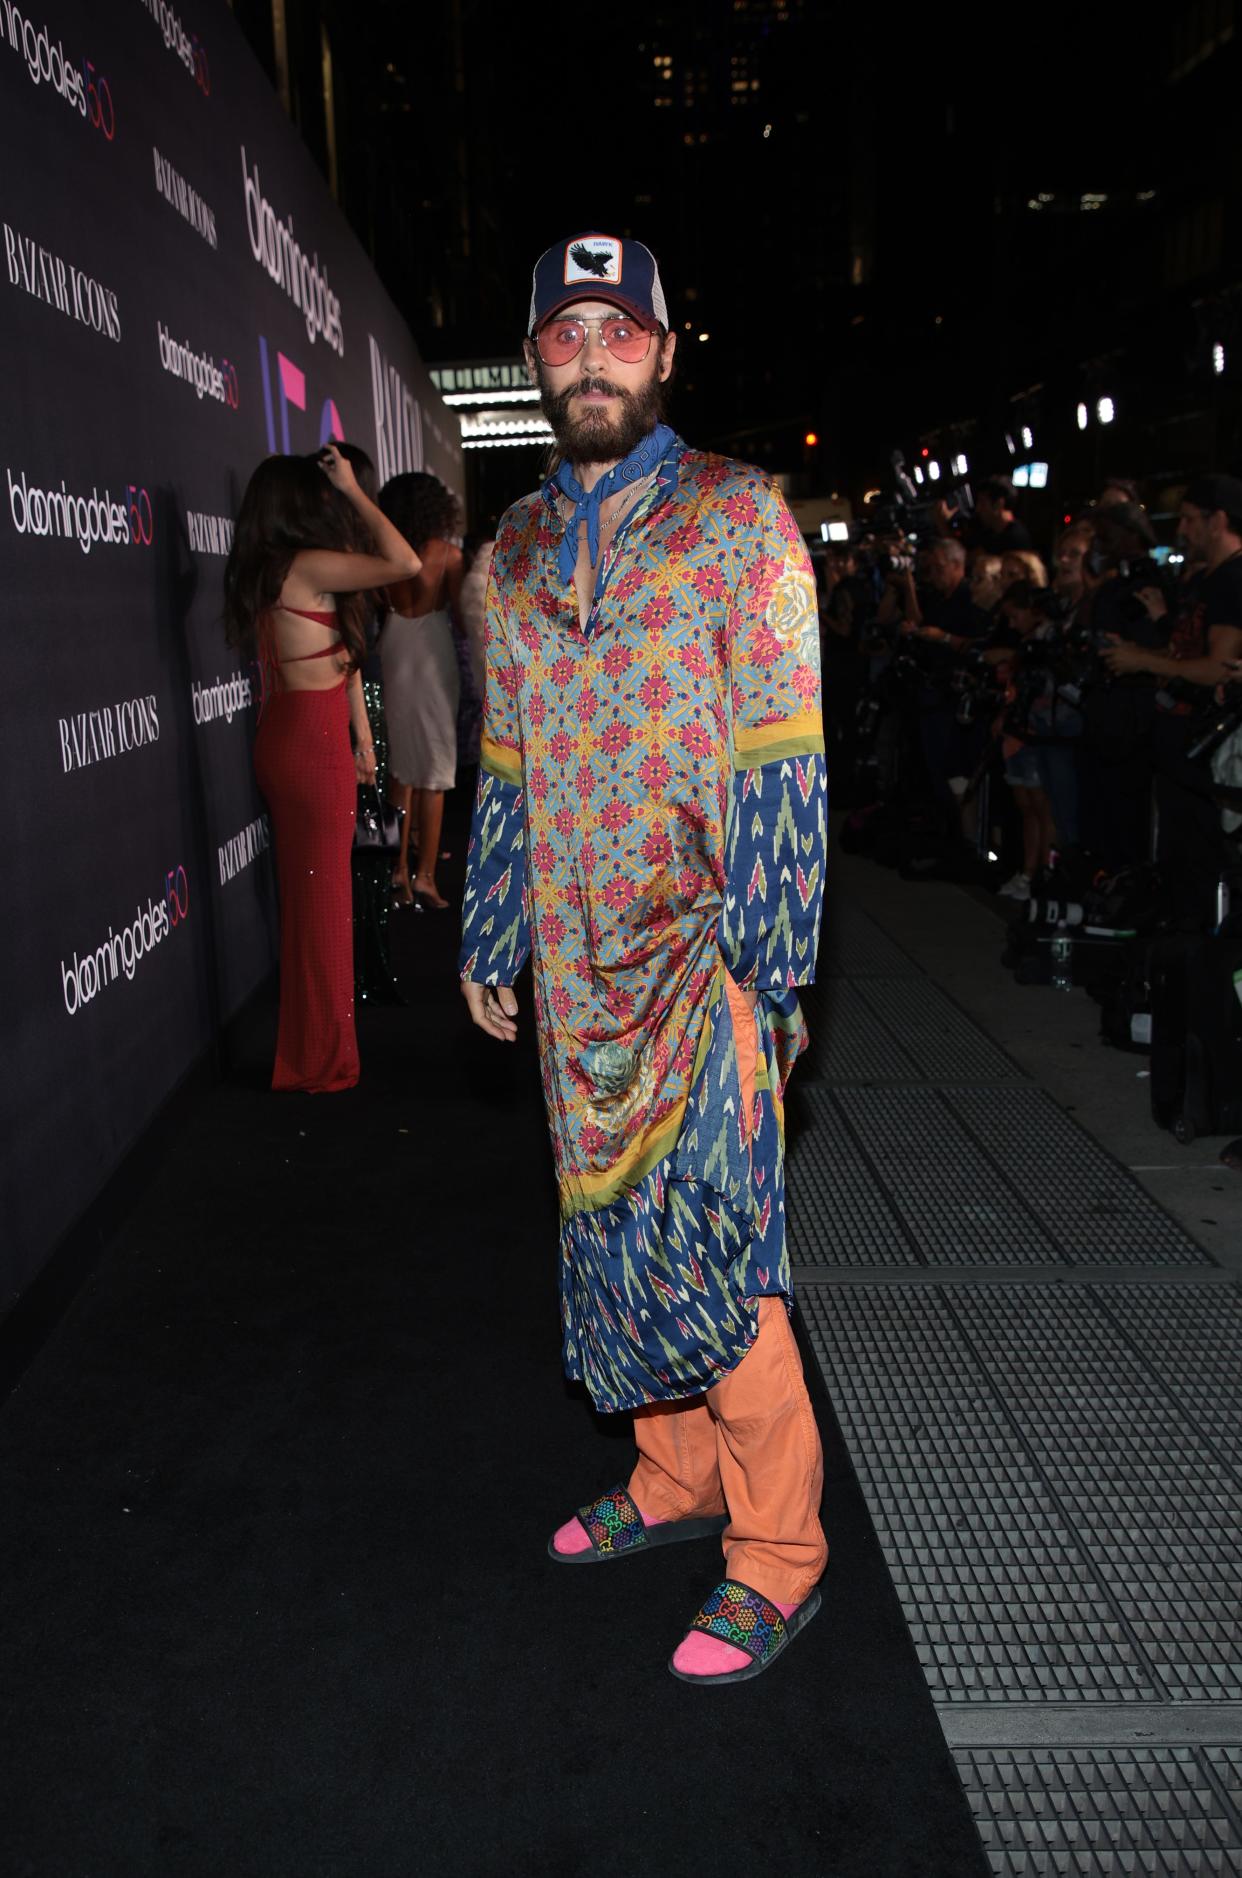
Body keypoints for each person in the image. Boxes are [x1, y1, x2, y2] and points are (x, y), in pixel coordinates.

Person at [459, 231, 828, 1686]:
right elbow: (503, 758)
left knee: (722, 1254)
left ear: (667, 352)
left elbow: (785, 752)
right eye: (566, 335)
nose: (593, 355)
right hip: (574, 963)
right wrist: (493, 925)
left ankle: (778, 1552)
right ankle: (673, 1478)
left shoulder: (743, 521)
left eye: (621, 331)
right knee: (605, 1230)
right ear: (535, 359)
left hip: (705, 961)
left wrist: (772, 968)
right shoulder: (513, 547)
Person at [224, 446, 421, 1091]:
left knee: (309, 907)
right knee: (325, 905)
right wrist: (360, 494)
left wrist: (361, 738)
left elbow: (339, 664)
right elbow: (404, 562)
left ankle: (308, 1054)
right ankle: (325, 1063)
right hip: (309, 745)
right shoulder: (307, 566)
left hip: (287, 737)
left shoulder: (269, 570)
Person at [1101, 473, 1242, 923]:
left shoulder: (1233, 579)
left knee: (1201, 865)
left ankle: (1202, 967)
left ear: (1217, 520)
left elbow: (1218, 666)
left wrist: (1146, 664)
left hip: (1205, 748)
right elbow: (1186, 652)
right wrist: (1137, 652)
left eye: (1188, 519)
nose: (1181, 530)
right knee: (1179, 862)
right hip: (1179, 744)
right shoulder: (1207, 579)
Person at [377, 473, 464, 911]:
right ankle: (425, 876)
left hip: (393, 644)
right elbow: (465, 623)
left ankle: (396, 875)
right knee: (436, 769)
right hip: (432, 648)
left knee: (401, 767)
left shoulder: (383, 554)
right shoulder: (447, 555)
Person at [969, 476, 1033, 555]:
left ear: (998, 504)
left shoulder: (1016, 539)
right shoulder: (991, 533)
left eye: (983, 503)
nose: (978, 509)